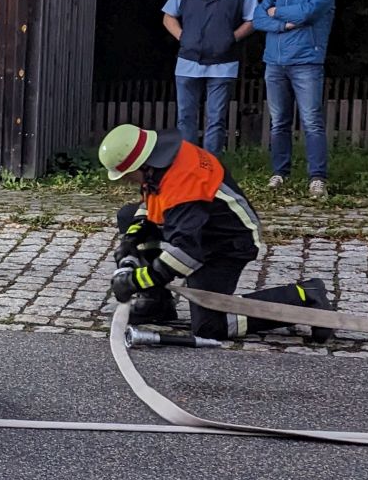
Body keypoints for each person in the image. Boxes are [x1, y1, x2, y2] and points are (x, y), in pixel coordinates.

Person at [97, 123, 334, 340]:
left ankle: (303, 296)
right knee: (129, 217)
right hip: (201, 230)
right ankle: (157, 303)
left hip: (226, 245)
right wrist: (132, 238)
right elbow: (152, 202)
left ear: (143, 165)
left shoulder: (183, 182)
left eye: (127, 175)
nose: (126, 181)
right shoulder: (160, 163)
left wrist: (136, 280)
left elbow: (187, 253)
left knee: (210, 327)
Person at [250, 0, 338, 198]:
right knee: (278, 122)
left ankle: (317, 178)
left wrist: (276, 12)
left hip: (306, 61)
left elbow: (309, 13)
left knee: (311, 121)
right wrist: (280, 23)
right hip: (274, 62)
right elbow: (257, 18)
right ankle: (280, 173)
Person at [159, 0, 255, 156]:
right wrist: (184, 38)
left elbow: (252, 20)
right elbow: (168, 16)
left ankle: (210, 169)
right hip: (187, 61)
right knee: (185, 117)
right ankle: (187, 165)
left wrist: (230, 39)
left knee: (216, 118)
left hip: (224, 63)